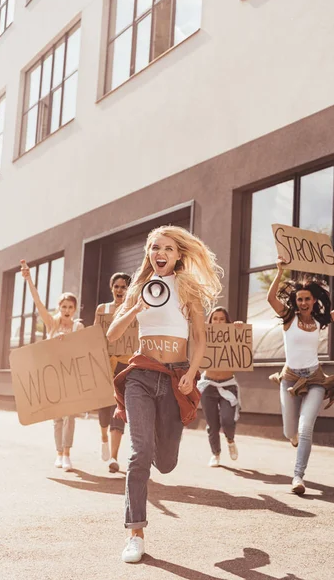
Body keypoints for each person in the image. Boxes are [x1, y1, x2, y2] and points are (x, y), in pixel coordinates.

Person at [107, 225, 222, 563]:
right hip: (140, 377)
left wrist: (191, 373)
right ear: (149, 254)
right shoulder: (140, 288)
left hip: (174, 380)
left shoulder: (188, 290)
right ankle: (135, 533)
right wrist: (135, 308)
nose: (161, 253)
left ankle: (156, 445)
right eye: (155, 247)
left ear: (178, 255)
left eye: (169, 248)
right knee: (138, 454)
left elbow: (200, 339)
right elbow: (113, 335)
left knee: (166, 463)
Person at [267, 257, 334, 495]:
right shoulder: (289, 318)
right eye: (299, 299)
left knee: (306, 429)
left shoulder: (319, 320)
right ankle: (293, 439)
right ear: (296, 301)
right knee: (289, 432)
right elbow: (271, 299)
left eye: (307, 298)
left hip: (315, 378)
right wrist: (280, 271)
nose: (303, 302)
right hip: (290, 379)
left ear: (314, 301)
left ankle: (298, 476)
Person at [20, 259, 84, 472]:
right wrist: (29, 279)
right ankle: (58, 453)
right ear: (59, 308)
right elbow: (38, 302)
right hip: (53, 376)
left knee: (70, 416)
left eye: (70, 307)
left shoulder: (78, 326)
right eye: (63, 306)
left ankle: (67, 453)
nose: (67, 310)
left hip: (71, 376)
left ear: (74, 309)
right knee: (57, 417)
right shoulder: (52, 324)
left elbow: (84, 351)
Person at [94, 272, 131, 473]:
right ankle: (103, 438)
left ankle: (114, 457)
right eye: (116, 286)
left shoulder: (132, 310)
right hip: (105, 363)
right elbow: (94, 334)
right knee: (104, 406)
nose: (120, 290)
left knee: (120, 407)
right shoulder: (103, 309)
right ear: (111, 288)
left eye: (124, 287)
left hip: (125, 364)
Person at [197, 307, 243, 467]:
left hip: (228, 385)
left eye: (221, 319)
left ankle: (230, 440)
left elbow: (241, 352)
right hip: (208, 386)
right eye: (214, 319)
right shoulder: (204, 336)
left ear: (227, 321)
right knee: (213, 424)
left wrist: (238, 330)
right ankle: (215, 454)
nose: (218, 322)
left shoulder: (232, 335)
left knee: (227, 420)